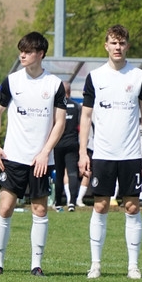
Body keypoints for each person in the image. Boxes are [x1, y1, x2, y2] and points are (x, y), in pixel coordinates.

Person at [79, 25, 142, 280]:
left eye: (121, 43)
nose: (118, 47)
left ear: (127, 46)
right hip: (102, 153)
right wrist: (83, 152)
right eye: (113, 43)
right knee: (100, 206)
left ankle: (133, 266)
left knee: (132, 207)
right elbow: (85, 117)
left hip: (131, 154)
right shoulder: (94, 77)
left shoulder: (139, 76)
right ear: (106, 46)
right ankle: (95, 265)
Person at [0, 32, 66, 276]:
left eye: (28, 51)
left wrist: (45, 152)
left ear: (40, 54)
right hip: (13, 157)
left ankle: (36, 265)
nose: (22, 55)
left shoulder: (54, 84)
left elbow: (60, 123)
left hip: (40, 160)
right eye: (21, 50)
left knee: (40, 210)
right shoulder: (12, 81)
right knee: (5, 208)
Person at [52, 81, 81, 212]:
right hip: (72, 143)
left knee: (59, 174)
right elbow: (80, 126)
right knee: (72, 173)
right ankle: (72, 203)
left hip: (58, 144)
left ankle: (58, 202)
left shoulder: (56, 107)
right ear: (69, 92)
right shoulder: (76, 107)